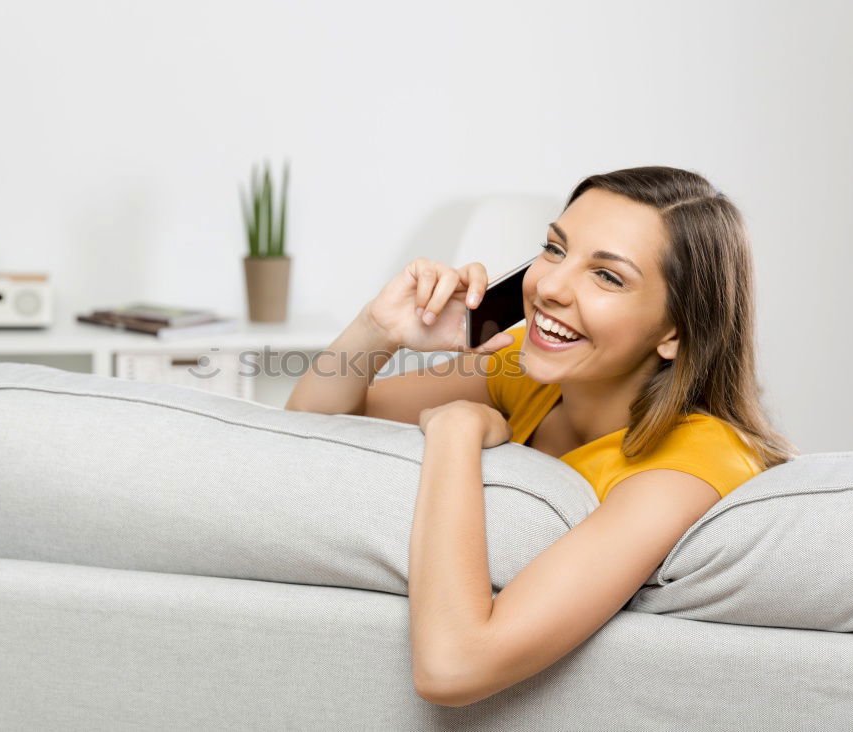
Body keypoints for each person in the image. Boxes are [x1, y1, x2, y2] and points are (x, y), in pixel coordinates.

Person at [285, 165, 799, 707]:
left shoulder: (687, 467)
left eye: (608, 276)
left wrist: (456, 437)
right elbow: (310, 432)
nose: (549, 287)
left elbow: (453, 668)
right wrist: (379, 329)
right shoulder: (528, 375)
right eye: (555, 250)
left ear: (675, 331)